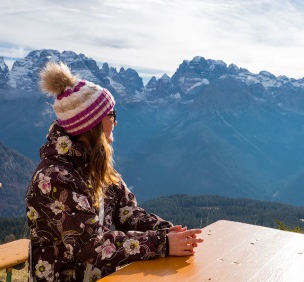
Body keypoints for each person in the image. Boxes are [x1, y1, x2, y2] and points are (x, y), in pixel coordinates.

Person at [26, 61, 203, 281]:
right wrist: (162, 243)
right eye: (112, 115)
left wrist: (170, 232)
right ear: (91, 125)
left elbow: (128, 213)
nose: (116, 122)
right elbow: (91, 246)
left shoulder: (95, 166)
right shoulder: (53, 177)